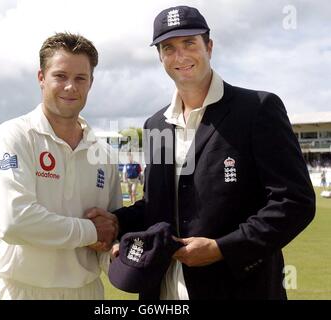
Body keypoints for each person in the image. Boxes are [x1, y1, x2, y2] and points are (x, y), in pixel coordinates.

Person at [87, 6, 316, 299]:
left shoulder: (258, 109)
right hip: (162, 290)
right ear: (160, 57)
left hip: (239, 290)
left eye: (189, 43)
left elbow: (294, 202)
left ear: (209, 46)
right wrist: (117, 222)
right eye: (168, 48)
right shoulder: (156, 124)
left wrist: (223, 248)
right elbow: (157, 204)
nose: (180, 56)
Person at [0, 32, 121, 300]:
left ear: (91, 83)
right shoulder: (14, 135)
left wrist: (118, 251)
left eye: (80, 78)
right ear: (41, 78)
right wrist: (92, 231)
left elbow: (111, 228)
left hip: (88, 292)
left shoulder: (104, 154)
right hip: (24, 291)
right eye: (60, 76)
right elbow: (15, 222)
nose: (70, 86)